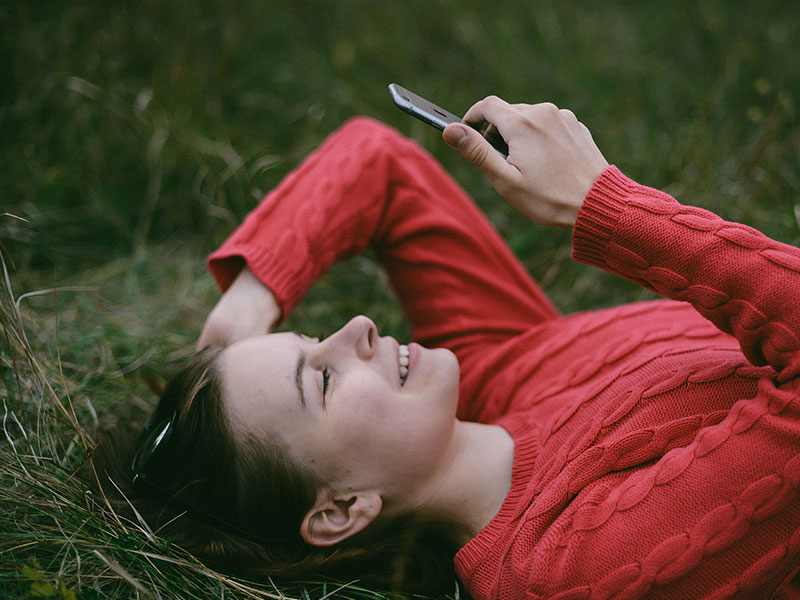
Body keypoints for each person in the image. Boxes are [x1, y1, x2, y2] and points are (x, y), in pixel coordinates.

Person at [101, 97, 800, 599]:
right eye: (321, 380)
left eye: (315, 336)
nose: (357, 330)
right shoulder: (561, 568)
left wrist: (249, 306)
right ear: (343, 510)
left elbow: (378, 165)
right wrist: (605, 205)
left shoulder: (501, 374)